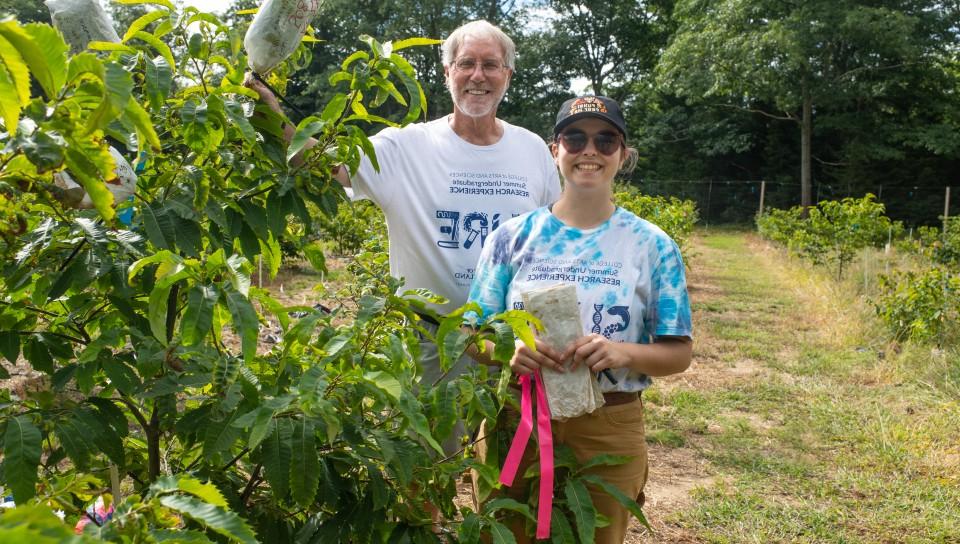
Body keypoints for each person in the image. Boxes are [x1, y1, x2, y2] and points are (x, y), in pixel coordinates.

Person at [246, 20, 561, 452]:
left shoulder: (532, 151)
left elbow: (554, 241)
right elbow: (326, 163)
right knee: (426, 467)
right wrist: (271, 113)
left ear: (508, 74)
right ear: (447, 72)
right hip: (434, 343)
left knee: (509, 473)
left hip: (513, 346)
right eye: (466, 63)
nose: (478, 75)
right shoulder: (407, 146)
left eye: (491, 64)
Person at [466, 95, 693, 543]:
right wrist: (509, 351)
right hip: (517, 415)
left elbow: (678, 352)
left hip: (607, 424)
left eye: (606, 140)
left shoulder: (652, 245)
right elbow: (474, 335)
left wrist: (620, 351)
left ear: (623, 155)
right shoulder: (510, 238)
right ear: (556, 150)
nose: (589, 150)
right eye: (575, 137)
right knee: (502, 534)